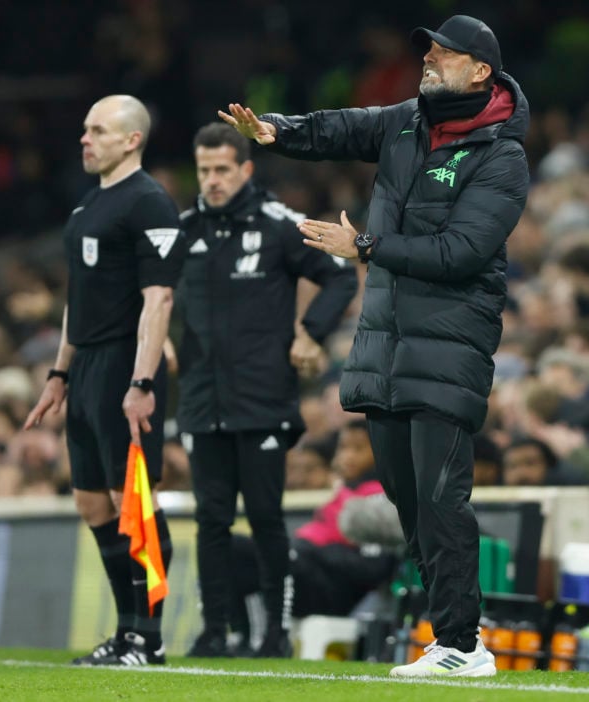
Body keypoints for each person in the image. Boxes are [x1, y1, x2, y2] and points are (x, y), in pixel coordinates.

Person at [221, 14, 529, 677]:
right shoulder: (408, 121)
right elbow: (342, 126)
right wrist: (279, 131)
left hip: (449, 345)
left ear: (481, 71)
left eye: (445, 54)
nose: (429, 60)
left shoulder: (502, 156)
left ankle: (462, 644)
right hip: (386, 343)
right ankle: (452, 637)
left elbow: (462, 252)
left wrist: (363, 246)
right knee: (407, 498)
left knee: (442, 495)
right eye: (429, 51)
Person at [178, 123, 357, 658]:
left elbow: (340, 276)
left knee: (264, 517)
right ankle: (216, 630)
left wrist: (310, 332)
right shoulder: (184, 230)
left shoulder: (279, 224)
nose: (211, 181)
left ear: (245, 169)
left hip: (262, 397)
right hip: (200, 399)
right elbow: (154, 294)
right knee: (210, 519)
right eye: (204, 170)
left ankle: (274, 633)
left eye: (222, 170)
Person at [23, 95, 184, 666]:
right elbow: (78, 297)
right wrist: (59, 372)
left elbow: (159, 297)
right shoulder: (90, 204)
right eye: (85, 128)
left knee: (132, 501)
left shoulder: (149, 204)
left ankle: (150, 637)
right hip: (86, 364)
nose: (84, 139)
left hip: (124, 363)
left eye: (97, 130)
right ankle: (125, 631)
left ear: (130, 140)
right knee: (93, 504)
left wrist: (142, 381)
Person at [227, 420, 402, 647]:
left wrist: (311, 553)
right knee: (229, 547)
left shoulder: (382, 496)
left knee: (254, 554)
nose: (347, 456)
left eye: (358, 448)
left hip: (332, 589)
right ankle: (242, 634)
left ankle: (257, 639)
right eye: (343, 448)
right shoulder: (345, 490)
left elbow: (374, 567)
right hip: (305, 567)